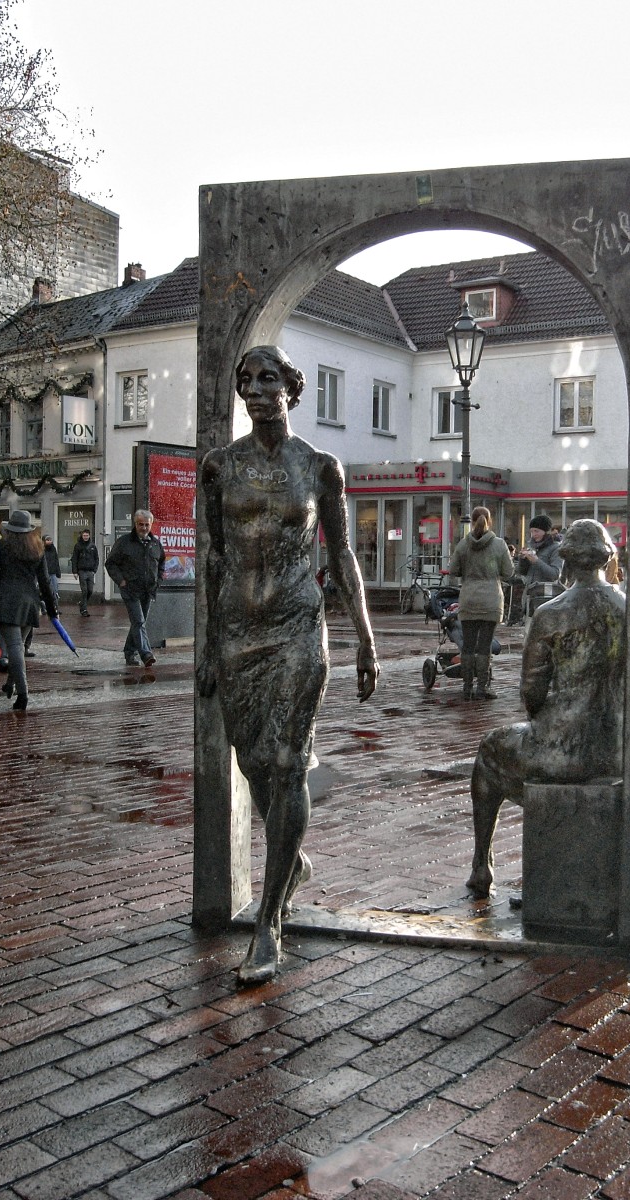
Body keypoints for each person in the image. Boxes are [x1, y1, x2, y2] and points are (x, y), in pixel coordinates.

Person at [197, 345, 378, 986]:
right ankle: (290, 861)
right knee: (254, 764)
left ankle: (269, 922)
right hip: (239, 634)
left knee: (286, 761)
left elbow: (345, 554)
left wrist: (364, 636)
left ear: (292, 390)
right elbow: (215, 561)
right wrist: (208, 646)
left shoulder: (320, 467)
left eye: (268, 379)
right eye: (245, 380)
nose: (256, 390)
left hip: (299, 628)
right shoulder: (220, 468)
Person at [468, 520, 625, 897]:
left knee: (491, 749)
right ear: (607, 558)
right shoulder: (629, 607)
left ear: (566, 558)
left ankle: (481, 864)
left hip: (564, 751)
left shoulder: (552, 613)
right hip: (618, 747)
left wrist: (546, 716)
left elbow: (531, 691)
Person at [0, 510, 60, 711]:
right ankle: (10, 684)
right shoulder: (37, 548)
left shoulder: (1, 546)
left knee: (14, 647)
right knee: (19, 647)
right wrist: (52, 609)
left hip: (6, 602)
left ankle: (22, 694)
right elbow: (45, 582)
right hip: (29, 603)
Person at [446, 505, 512, 700]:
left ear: (472, 522)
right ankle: (482, 688)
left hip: (469, 599)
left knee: (467, 645)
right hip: (491, 600)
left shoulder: (463, 545)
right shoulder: (499, 545)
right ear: (489, 521)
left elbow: (453, 571)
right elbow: (508, 572)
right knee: (484, 646)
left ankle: (467, 687)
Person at [106, 509, 165, 666]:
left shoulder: (155, 544)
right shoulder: (124, 542)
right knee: (138, 621)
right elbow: (110, 563)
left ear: (151, 524)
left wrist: (158, 581)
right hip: (130, 589)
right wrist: (121, 581)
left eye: (147, 524)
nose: (144, 528)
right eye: (140, 524)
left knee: (139, 622)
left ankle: (129, 652)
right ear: (135, 524)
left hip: (148, 590)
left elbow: (161, 564)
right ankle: (146, 654)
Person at [510, 514, 563, 625]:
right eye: (532, 531)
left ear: (545, 531)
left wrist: (536, 560)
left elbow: (555, 574)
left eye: (536, 531)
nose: (533, 535)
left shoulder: (556, 548)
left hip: (547, 599)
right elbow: (522, 572)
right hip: (530, 597)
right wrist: (523, 560)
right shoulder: (531, 546)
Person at [72, 528, 100, 617]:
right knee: (84, 591)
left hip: (90, 571)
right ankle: (84, 610)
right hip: (81, 571)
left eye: (87, 535)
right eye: (84, 535)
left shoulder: (92, 546)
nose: (85, 537)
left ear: (89, 536)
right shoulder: (78, 546)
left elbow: (97, 558)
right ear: (82, 536)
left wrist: (94, 570)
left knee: (90, 590)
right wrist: (75, 572)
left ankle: (82, 603)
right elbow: (74, 559)